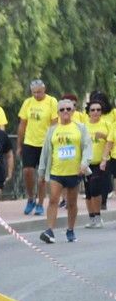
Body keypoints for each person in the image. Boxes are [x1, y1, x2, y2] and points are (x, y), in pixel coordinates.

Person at [37, 98, 92, 244]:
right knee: (53, 200)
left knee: (72, 203)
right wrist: (42, 173)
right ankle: (49, 231)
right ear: (58, 113)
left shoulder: (80, 128)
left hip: (75, 172)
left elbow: (87, 147)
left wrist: (84, 163)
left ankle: (70, 229)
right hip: (56, 171)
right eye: (62, 109)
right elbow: (46, 152)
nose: (65, 112)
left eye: (68, 109)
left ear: (73, 111)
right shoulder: (52, 130)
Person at [17, 79, 56, 216]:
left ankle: (40, 203)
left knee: (41, 175)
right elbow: (22, 124)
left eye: (39, 92)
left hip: (45, 143)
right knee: (27, 171)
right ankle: (30, 198)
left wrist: (52, 143)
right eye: (34, 92)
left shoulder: (51, 102)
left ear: (44, 90)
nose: (37, 95)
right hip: (30, 142)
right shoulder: (28, 103)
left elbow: (54, 124)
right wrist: (19, 144)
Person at [82, 98, 112, 228]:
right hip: (86, 162)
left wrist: (104, 137)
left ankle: (98, 216)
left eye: (98, 110)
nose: (95, 112)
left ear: (102, 111)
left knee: (95, 188)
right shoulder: (83, 126)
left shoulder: (106, 124)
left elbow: (112, 140)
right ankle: (92, 218)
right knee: (88, 191)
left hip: (100, 162)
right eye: (92, 110)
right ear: (88, 112)